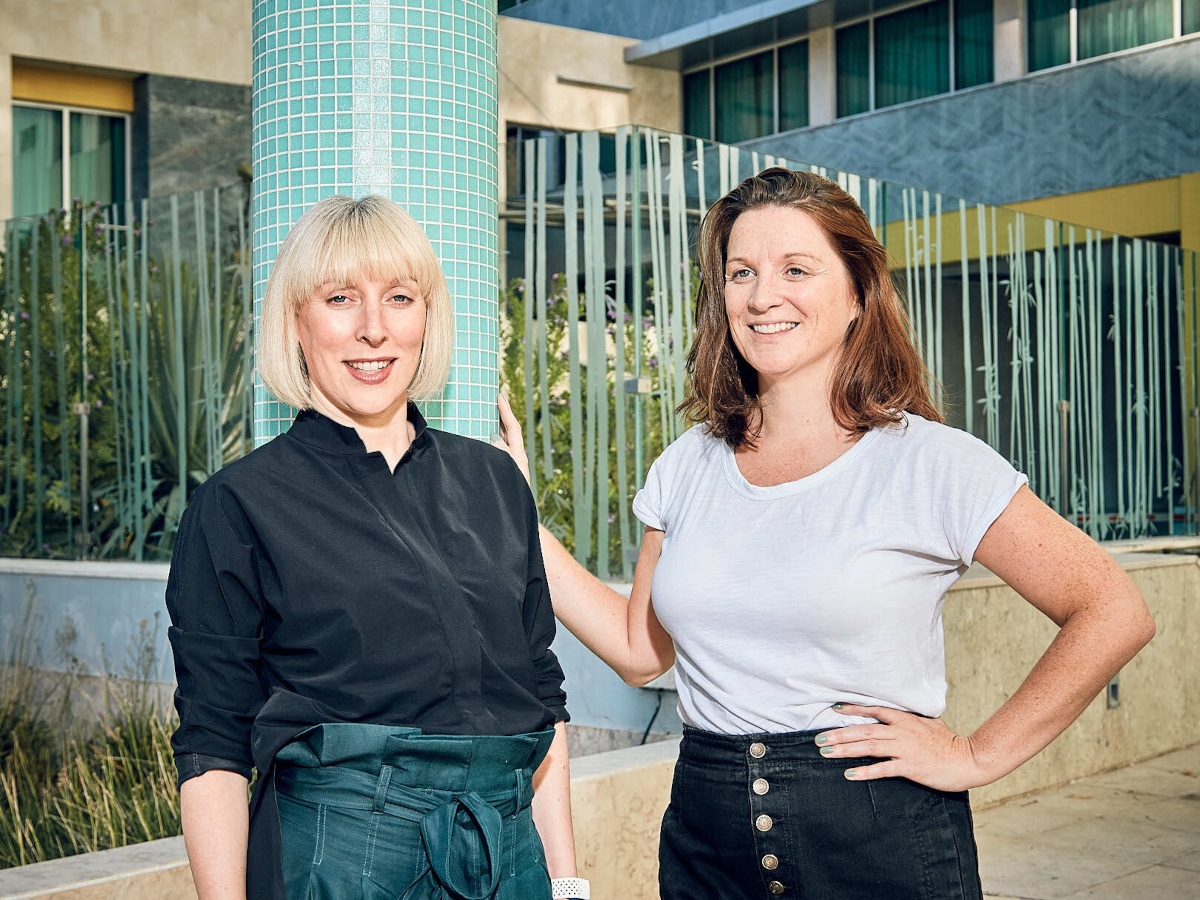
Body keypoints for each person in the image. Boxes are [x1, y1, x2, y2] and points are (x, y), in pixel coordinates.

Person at [497, 167, 1155, 900]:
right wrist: (515, 518)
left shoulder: (931, 463)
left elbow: (1113, 610)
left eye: (796, 269)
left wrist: (975, 754)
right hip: (707, 839)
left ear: (856, 294)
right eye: (740, 272)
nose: (762, 295)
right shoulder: (685, 467)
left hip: (876, 835)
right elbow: (638, 653)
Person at [167, 195, 589, 900]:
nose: (374, 330)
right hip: (338, 866)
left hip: (510, 860)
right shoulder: (239, 504)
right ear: (296, 321)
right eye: (340, 298)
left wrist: (567, 885)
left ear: (427, 315)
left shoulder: (494, 480)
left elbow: (541, 703)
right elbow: (213, 744)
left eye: (399, 297)